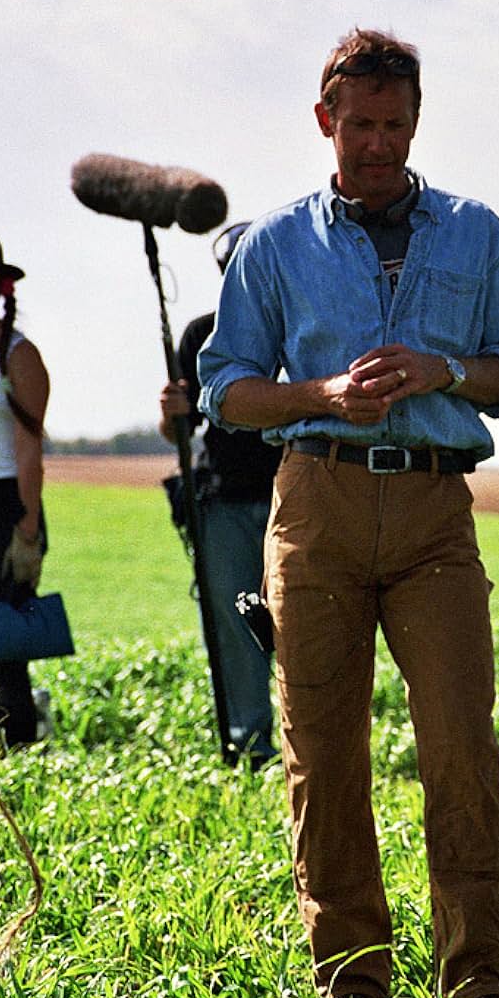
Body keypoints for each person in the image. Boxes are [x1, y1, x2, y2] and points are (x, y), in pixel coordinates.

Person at [197, 27, 499, 998]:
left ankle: (479, 985)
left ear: (416, 121)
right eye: (360, 126)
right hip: (317, 505)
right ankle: (352, 984)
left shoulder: (474, 232)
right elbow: (226, 390)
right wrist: (320, 393)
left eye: (396, 125)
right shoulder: (272, 246)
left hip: (439, 510)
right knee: (322, 749)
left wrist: (446, 372)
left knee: (460, 746)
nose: (379, 145)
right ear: (325, 121)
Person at [159, 221, 281, 768]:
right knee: (235, 629)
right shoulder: (199, 335)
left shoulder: (299, 329)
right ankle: (250, 744)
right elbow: (179, 435)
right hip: (224, 499)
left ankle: (310, 742)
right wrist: (173, 416)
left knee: (306, 624)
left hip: (293, 495)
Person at [0, 237, 51, 748]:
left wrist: (27, 531)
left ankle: (17, 750)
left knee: (5, 645)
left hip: (7, 503)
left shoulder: (17, 354)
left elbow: (30, 447)